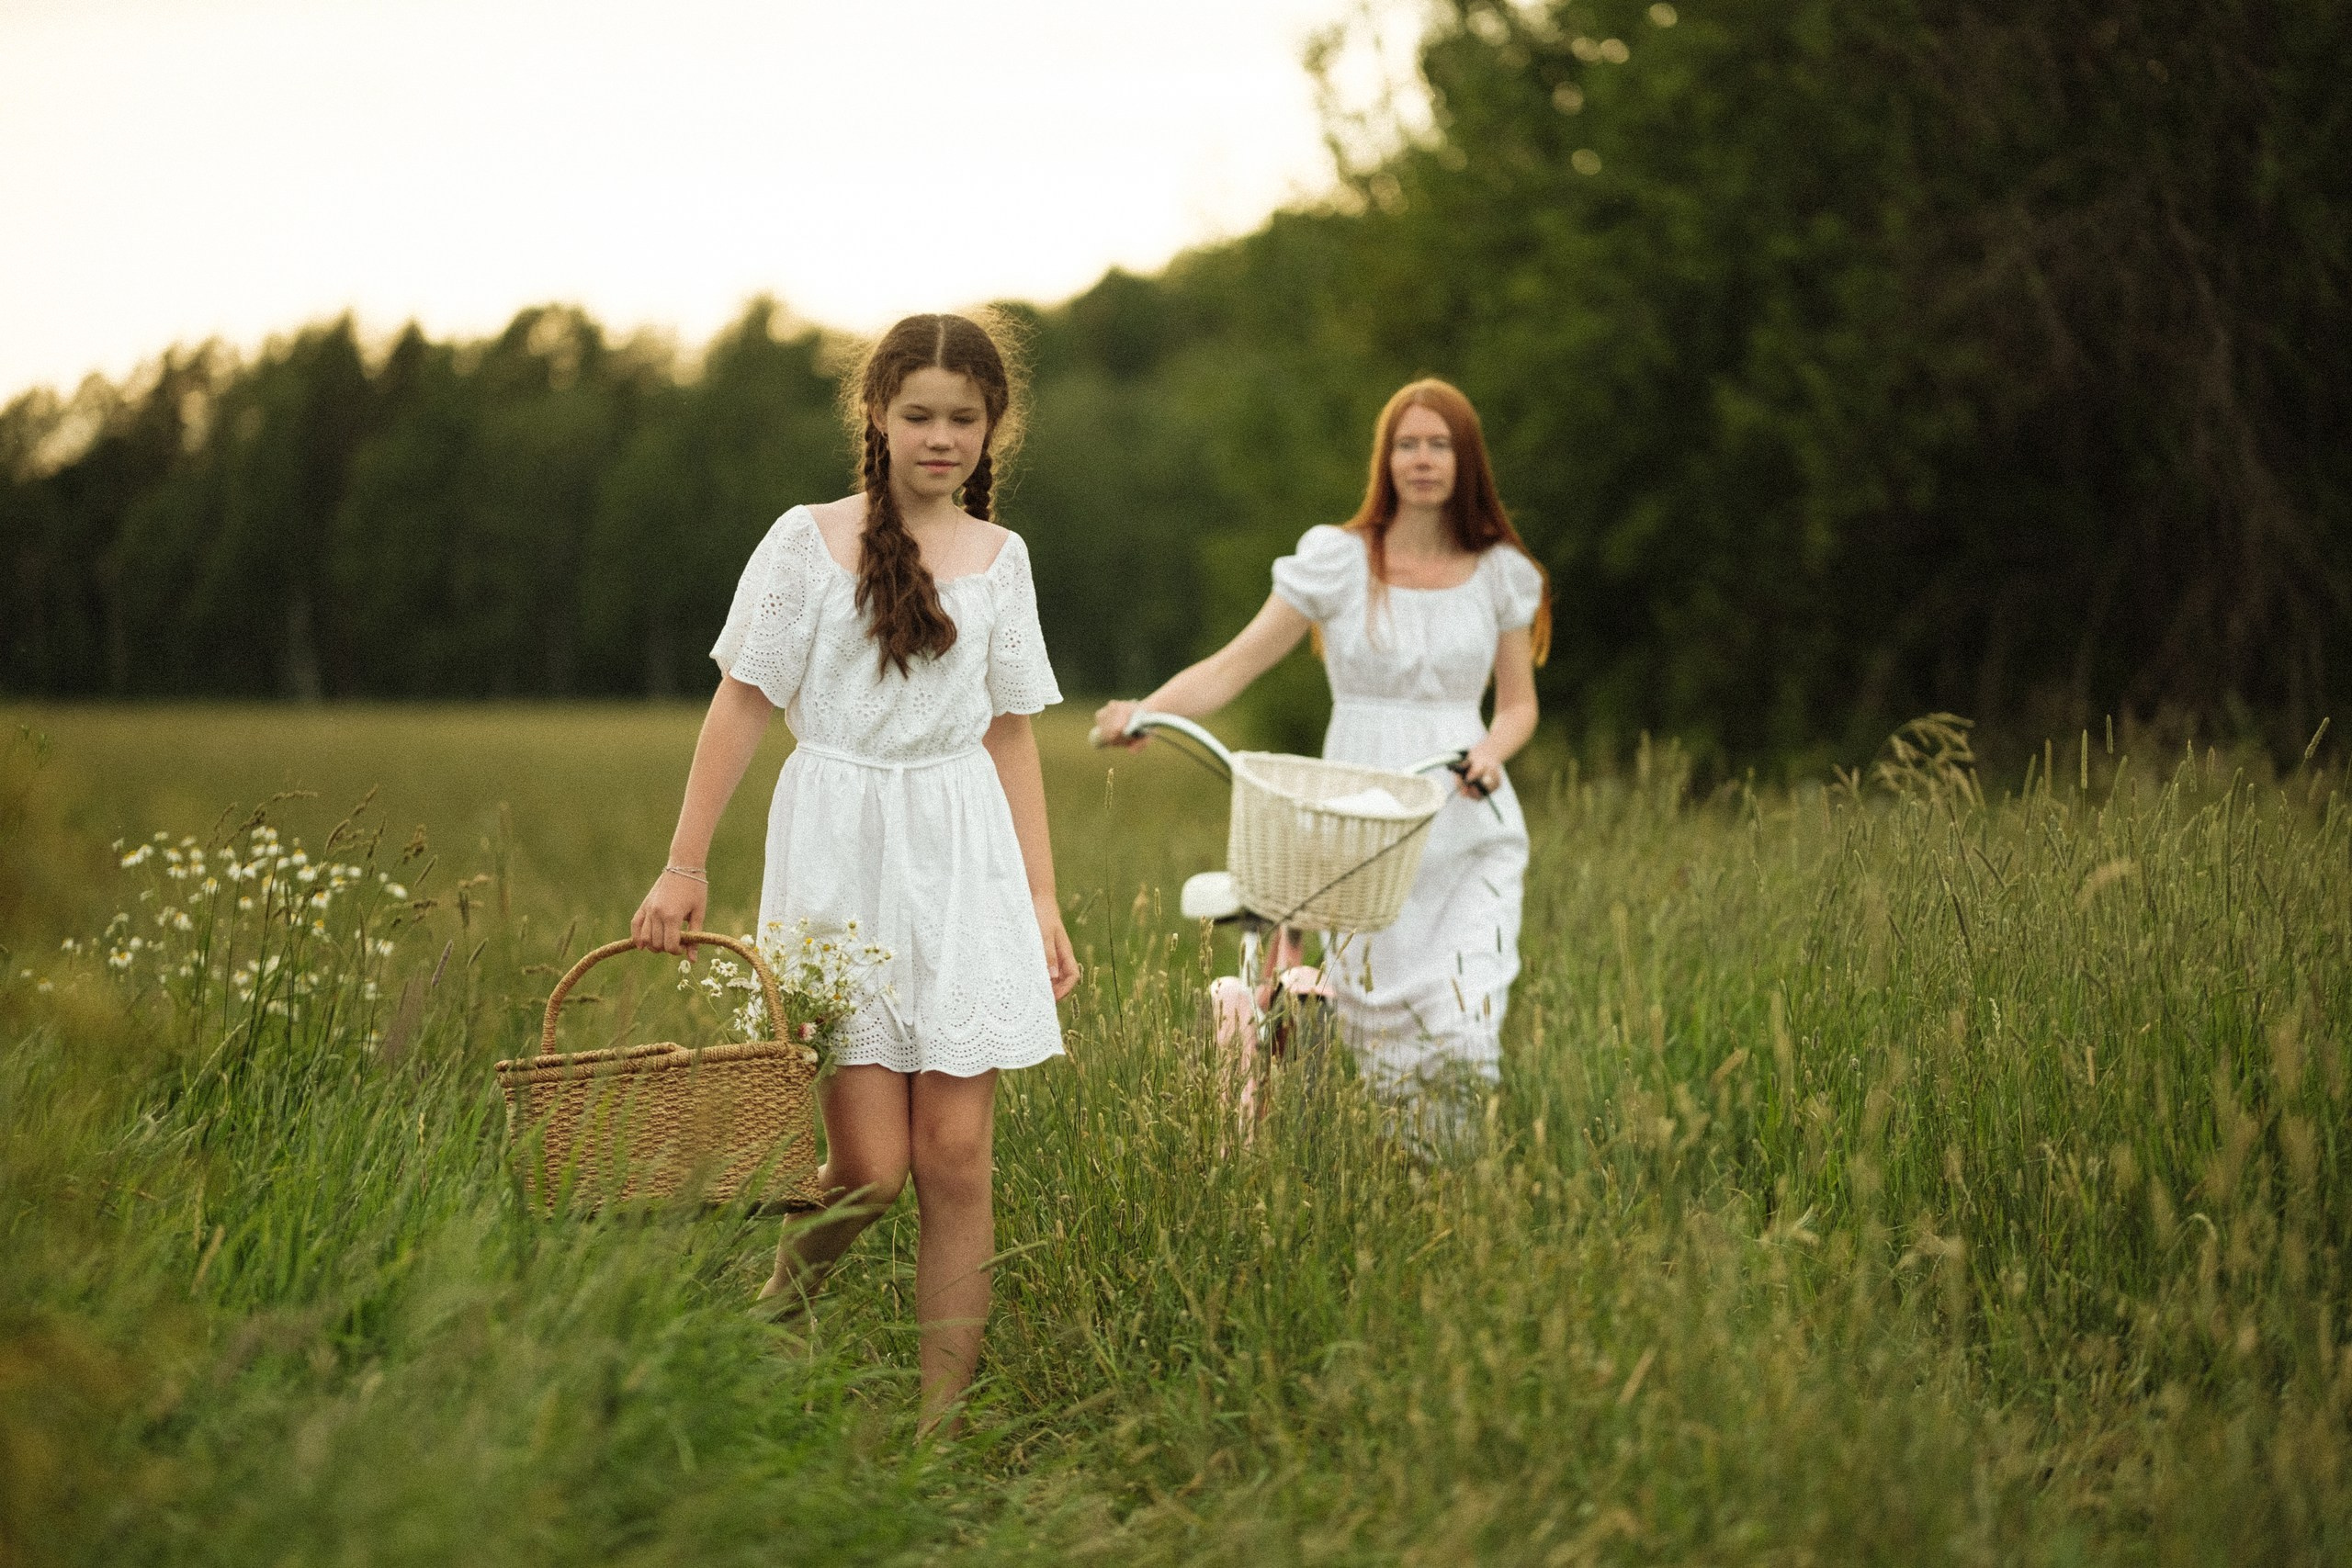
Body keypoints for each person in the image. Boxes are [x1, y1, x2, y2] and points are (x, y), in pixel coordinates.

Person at [632, 312, 1080, 1433]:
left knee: (956, 1158)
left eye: (963, 419)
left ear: (993, 430)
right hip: (837, 855)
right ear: (876, 416)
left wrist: (1040, 898)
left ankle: (935, 1432)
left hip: (964, 858)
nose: (941, 437)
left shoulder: (1002, 559)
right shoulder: (807, 541)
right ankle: (778, 1304)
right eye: (919, 414)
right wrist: (683, 864)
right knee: (870, 1169)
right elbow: (741, 701)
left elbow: (1012, 732)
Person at [1095, 378, 1548, 1133]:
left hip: (1466, 816)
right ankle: (1383, 1190)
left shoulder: (1501, 572)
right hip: (1362, 821)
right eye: (1408, 443)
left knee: (1467, 1024)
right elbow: (1234, 664)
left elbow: (1520, 704)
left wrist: (1492, 752)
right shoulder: (1339, 560)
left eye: (1441, 444)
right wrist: (1147, 710)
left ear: (1467, 460)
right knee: (1367, 1021)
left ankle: (1460, 1185)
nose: (1424, 459)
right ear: (1386, 458)